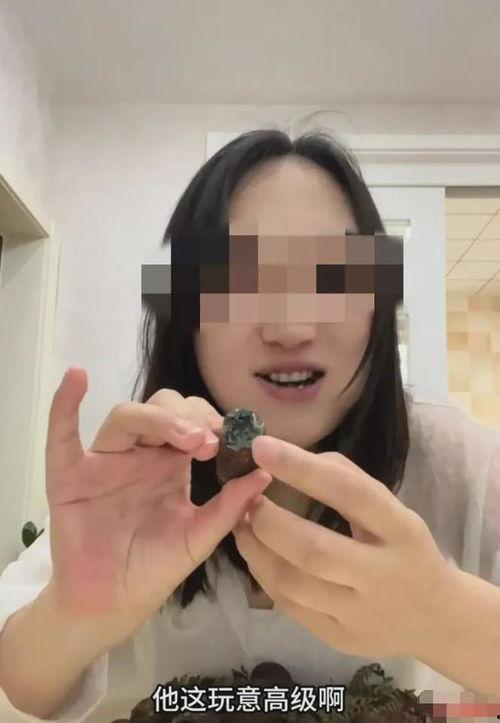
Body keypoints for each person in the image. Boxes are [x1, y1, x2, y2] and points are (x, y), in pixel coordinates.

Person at [0, 129, 499, 722]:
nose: (289, 329)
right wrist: (73, 615)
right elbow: (17, 686)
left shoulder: (461, 465)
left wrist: (443, 614)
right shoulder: (139, 476)